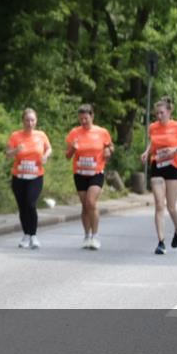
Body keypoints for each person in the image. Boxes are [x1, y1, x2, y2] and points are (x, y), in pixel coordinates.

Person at [140, 97, 177, 254]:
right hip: (157, 165)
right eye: (157, 113)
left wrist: (174, 150)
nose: (159, 116)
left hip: (173, 167)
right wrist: (147, 152)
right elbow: (152, 142)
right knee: (159, 204)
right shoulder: (153, 127)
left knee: (170, 206)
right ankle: (161, 242)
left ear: (169, 112)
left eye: (161, 113)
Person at [65, 103, 113, 250]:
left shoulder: (102, 132)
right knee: (85, 206)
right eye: (81, 119)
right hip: (80, 173)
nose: (83, 122)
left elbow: (110, 146)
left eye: (86, 118)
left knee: (91, 202)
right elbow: (67, 156)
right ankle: (87, 236)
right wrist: (73, 148)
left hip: (96, 172)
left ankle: (96, 236)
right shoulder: (74, 133)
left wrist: (108, 152)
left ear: (92, 116)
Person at [6, 108, 52, 249]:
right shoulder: (15, 136)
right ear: (23, 121)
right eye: (27, 120)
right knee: (22, 207)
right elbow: (7, 154)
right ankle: (26, 235)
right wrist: (15, 151)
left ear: (36, 121)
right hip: (19, 176)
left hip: (35, 176)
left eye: (32, 120)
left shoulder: (41, 135)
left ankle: (34, 235)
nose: (30, 123)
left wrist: (45, 156)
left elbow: (49, 148)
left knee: (31, 203)